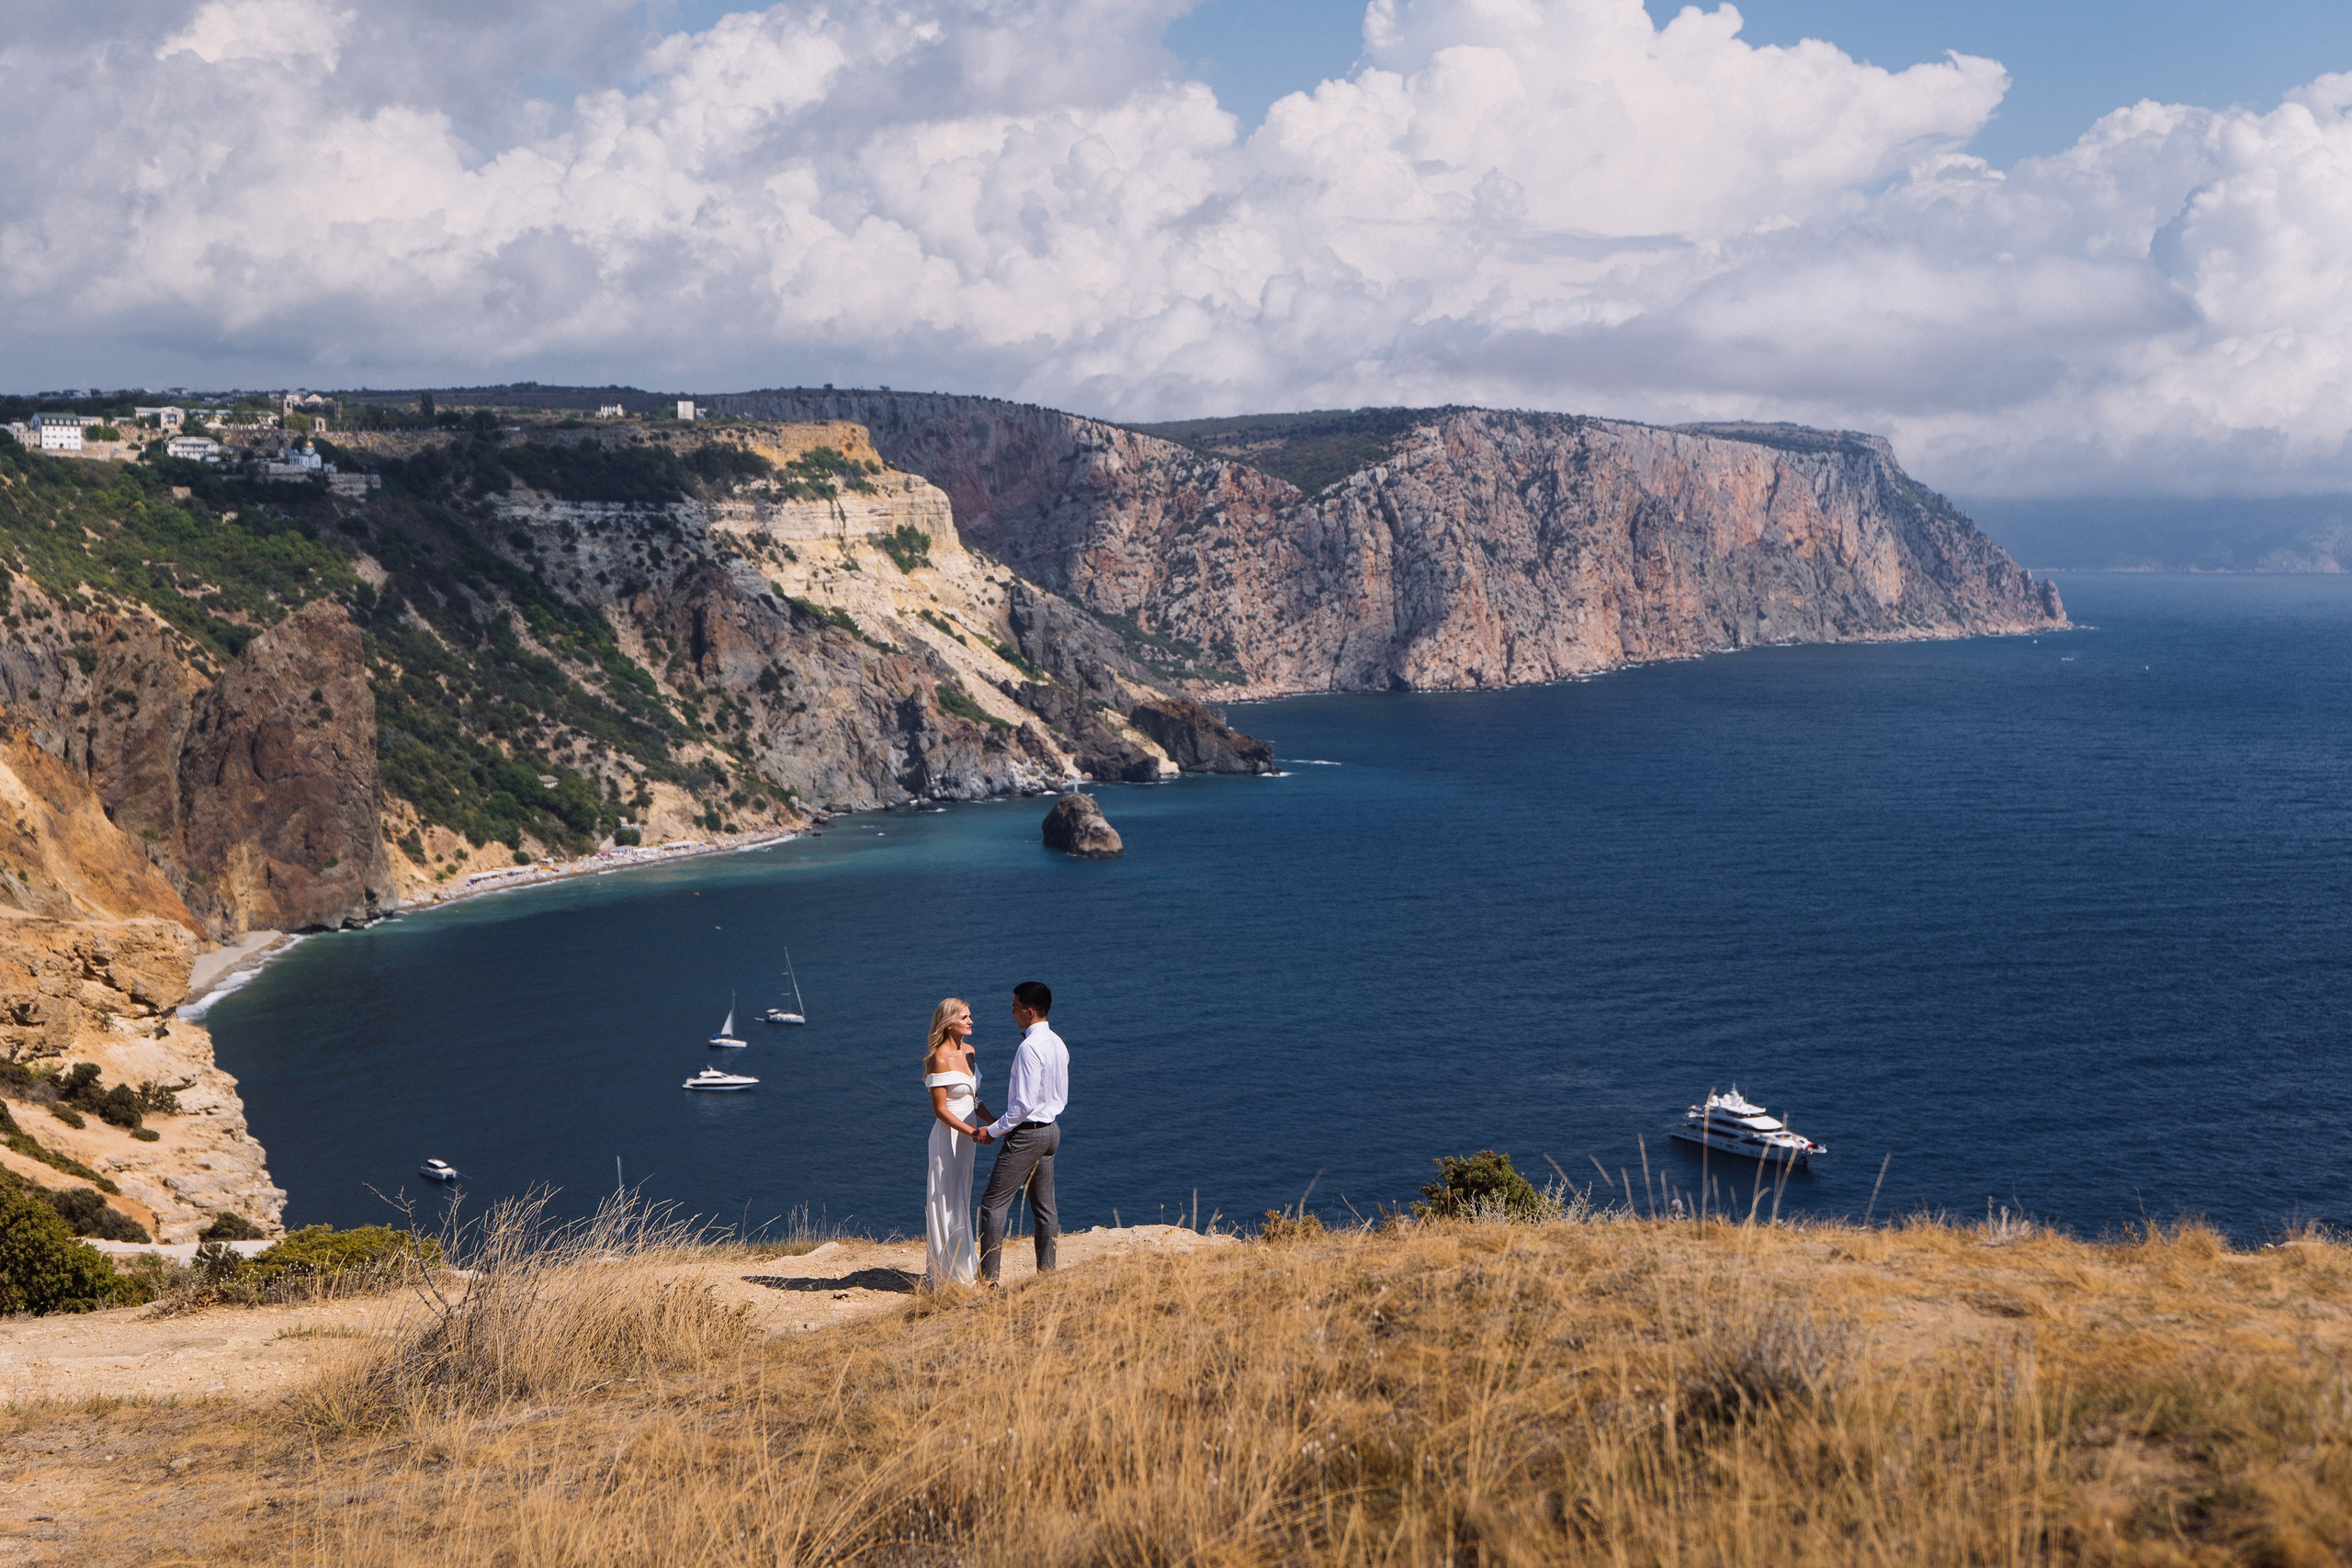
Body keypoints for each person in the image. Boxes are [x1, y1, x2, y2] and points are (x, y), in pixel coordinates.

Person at [974, 980, 1068, 1286]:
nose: (1011, 1012)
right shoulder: (1057, 1042)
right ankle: (1048, 1276)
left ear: (1028, 1012)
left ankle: (989, 1282)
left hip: (1028, 1134)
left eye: (1014, 1007)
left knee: (993, 1204)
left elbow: (1024, 1104)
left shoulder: (1029, 1048)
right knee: (1045, 1208)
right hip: (1051, 1131)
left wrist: (994, 1130)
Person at [921, 997, 991, 1287]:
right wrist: (973, 1132)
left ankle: (963, 1267)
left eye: (970, 1016)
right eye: (965, 1017)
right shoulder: (939, 1058)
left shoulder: (971, 1052)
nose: (971, 1021)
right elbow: (940, 1110)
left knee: (961, 1197)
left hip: (967, 1140)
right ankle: (948, 1276)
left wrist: (996, 1122)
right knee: (945, 1200)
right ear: (949, 1022)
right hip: (948, 1139)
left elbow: (974, 1100)